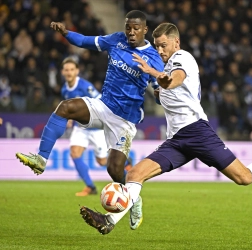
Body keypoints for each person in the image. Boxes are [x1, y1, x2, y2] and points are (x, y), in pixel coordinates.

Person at [79, 23, 252, 235]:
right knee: (135, 174)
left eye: (163, 45)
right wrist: (157, 91)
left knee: (244, 178)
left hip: (197, 132)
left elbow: (173, 81)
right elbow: (168, 89)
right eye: (156, 45)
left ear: (176, 42)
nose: (160, 50)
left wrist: (152, 74)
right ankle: (108, 221)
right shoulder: (164, 66)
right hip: (176, 140)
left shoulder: (183, 58)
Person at [16, 10, 164, 230]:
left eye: (136, 28)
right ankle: (41, 159)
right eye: (128, 28)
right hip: (103, 105)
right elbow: (86, 41)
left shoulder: (152, 57)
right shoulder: (116, 40)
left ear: (145, 30)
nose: (131, 32)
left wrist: (160, 93)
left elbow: (160, 89)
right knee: (65, 107)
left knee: (114, 171)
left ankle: (134, 199)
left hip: (124, 121)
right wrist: (67, 33)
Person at [60, 57, 108, 196]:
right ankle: (90, 187)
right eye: (66, 70)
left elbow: (100, 100)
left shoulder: (85, 86)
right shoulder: (65, 90)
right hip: (81, 127)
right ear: (62, 72)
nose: (69, 72)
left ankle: (125, 169)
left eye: (71, 70)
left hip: (96, 127)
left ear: (77, 71)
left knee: (102, 161)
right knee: (74, 153)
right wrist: (69, 118)